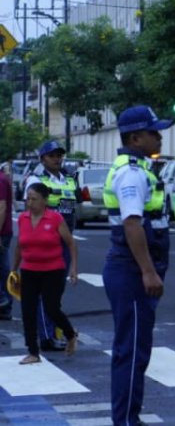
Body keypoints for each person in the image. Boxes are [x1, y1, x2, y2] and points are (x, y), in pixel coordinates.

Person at [103, 106, 174, 425]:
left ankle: (129, 416)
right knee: (131, 351)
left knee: (135, 349)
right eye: (153, 132)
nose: (159, 136)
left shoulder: (141, 168)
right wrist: (147, 270)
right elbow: (133, 224)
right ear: (135, 137)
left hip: (134, 269)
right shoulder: (131, 173)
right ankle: (126, 420)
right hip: (131, 271)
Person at [12, 182, 78, 365]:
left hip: (53, 270)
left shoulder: (55, 219)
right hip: (29, 270)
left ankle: (70, 334)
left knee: (51, 308)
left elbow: (71, 244)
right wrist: (13, 270)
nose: (30, 203)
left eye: (34, 199)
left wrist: (73, 269)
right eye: (28, 199)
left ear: (44, 201)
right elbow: (19, 246)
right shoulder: (23, 219)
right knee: (28, 311)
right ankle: (33, 352)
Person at [26, 139, 79, 351]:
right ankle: (46, 336)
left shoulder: (69, 179)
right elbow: (31, 210)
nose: (57, 159)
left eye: (59, 155)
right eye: (52, 155)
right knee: (43, 293)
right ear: (42, 159)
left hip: (63, 241)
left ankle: (52, 330)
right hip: (45, 242)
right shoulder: (35, 179)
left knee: (55, 292)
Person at [0, 163, 12, 321]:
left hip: (2, 232)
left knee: (3, 269)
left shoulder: (0, 180)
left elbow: (1, 207)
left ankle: (5, 303)